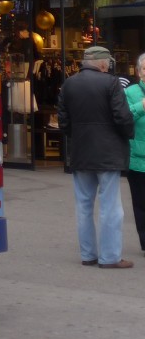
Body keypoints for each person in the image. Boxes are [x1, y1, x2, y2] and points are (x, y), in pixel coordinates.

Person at [58, 45, 135, 269]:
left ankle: (88, 255)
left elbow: (63, 121)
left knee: (83, 205)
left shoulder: (68, 84)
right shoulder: (110, 82)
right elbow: (122, 117)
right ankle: (110, 257)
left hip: (81, 152)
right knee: (110, 206)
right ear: (102, 63)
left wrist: (78, 136)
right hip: (108, 153)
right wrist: (128, 134)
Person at [125, 53, 145, 257]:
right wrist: (141, 106)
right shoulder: (130, 92)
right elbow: (122, 117)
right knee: (141, 204)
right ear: (139, 72)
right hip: (138, 159)